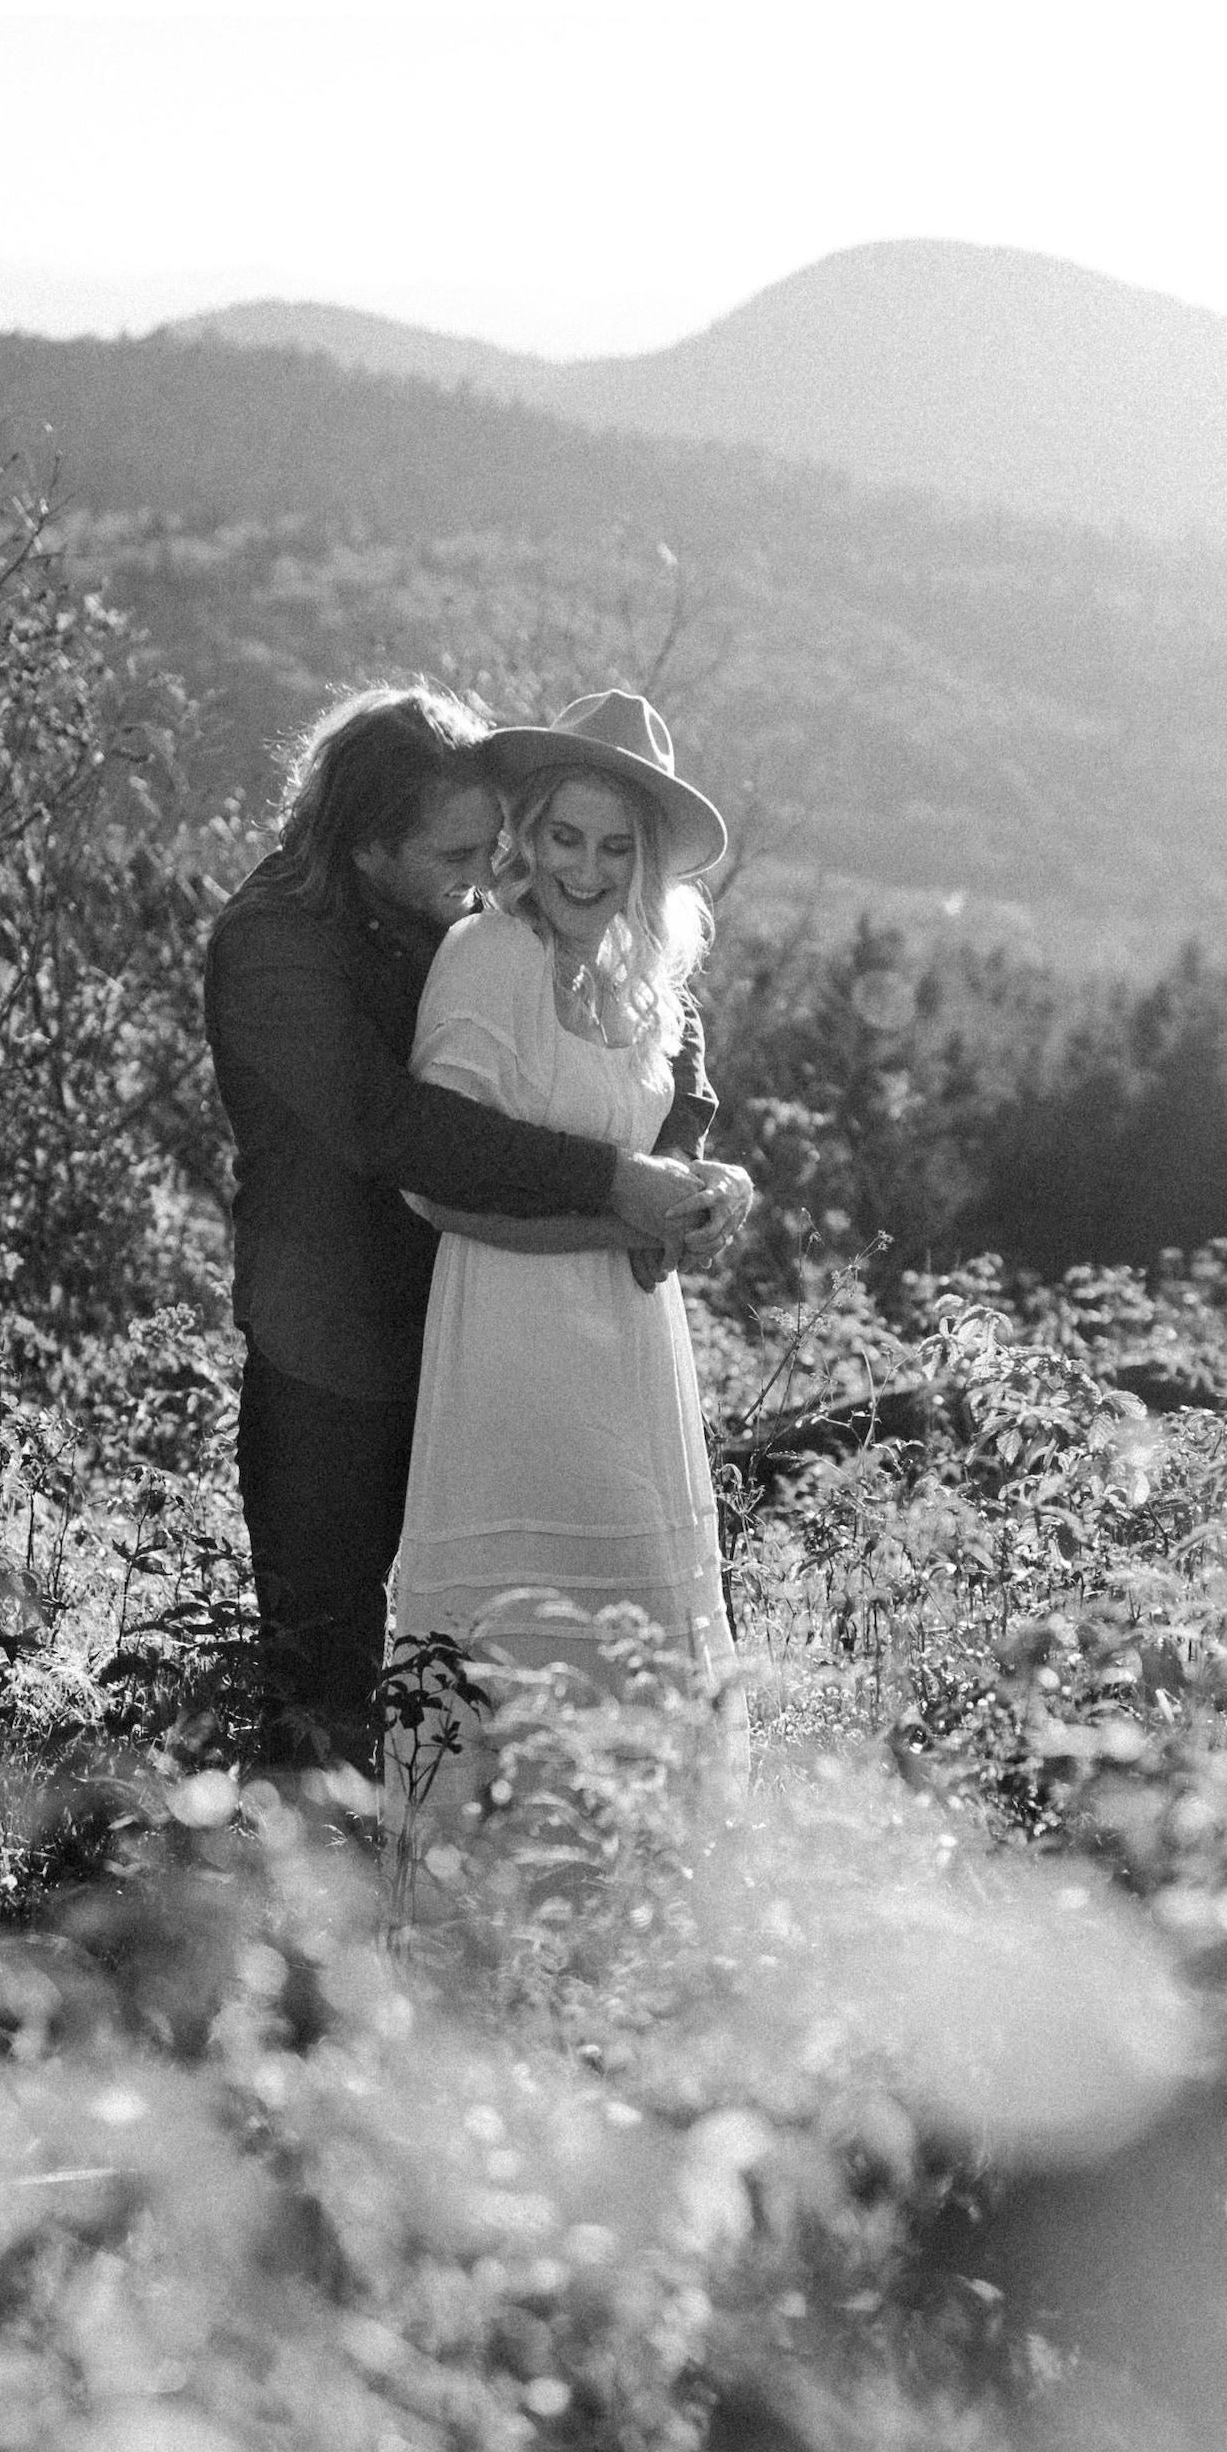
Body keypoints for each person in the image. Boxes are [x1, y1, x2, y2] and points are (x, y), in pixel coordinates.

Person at [202, 683, 737, 1770]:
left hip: (491, 1328)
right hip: (336, 1345)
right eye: (459, 853)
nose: (491, 869)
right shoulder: (273, 948)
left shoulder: (473, 919)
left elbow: (663, 1058)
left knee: (508, 1646)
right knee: (328, 1667)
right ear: (367, 845)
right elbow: (400, 1132)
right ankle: (319, 1862)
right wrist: (614, 1190)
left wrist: (684, 1170)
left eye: (492, 841)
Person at [387, 690, 755, 1798]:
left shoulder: (650, 990)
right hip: (511, 1342)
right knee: (520, 1628)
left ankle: (634, 1884)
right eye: (564, 837)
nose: (585, 870)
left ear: (646, 864)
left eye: (614, 846)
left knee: (638, 1622)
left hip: (632, 1353)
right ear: (526, 835)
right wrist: (617, 1217)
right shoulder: (487, 954)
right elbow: (435, 1183)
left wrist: (714, 1191)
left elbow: (658, 1151)